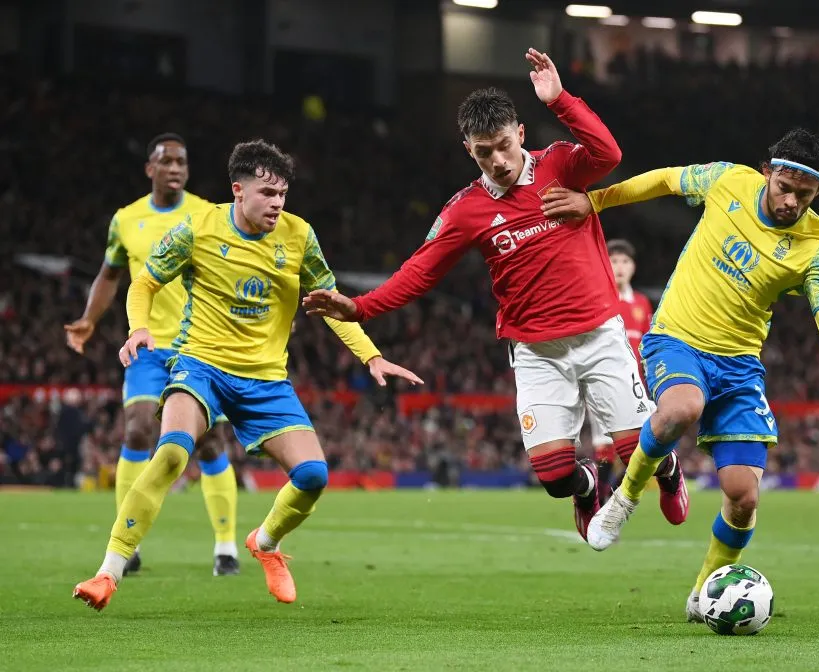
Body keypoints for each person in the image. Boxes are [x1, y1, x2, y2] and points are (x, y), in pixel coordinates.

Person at [303, 49, 688, 541]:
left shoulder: (560, 167)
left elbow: (609, 156)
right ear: (470, 150)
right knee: (553, 477)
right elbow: (418, 273)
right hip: (535, 352)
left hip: (599, 336)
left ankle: (669, 470)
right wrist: (358, 307)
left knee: (640, 453)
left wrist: (560, 100)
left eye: (505, 145)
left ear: (521, 134)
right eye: (485, 152)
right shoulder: (466, 210)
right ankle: (586, 484)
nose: (499, 160)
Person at [539, 128, 819, 619]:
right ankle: (624, 498)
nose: (790, 202)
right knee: (683, 406)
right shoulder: (727, 181)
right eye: (784, 188)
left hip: (740, 366)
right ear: (767, 172)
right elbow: (662, 181)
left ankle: (704, 594)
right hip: (677, 339)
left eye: (804, 196)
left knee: (743, 497)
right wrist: (595, 201)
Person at [72, 139, 422, 611]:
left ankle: (266, 542)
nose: (277, 203)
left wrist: (371, 357)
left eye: (283, 194)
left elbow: (330, 303)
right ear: (238, 190)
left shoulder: (299, 236)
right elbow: (145, 281)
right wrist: (138, 327)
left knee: (314, 475)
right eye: (267, 193)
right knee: (172, 453)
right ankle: (108, 574)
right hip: (201, 366)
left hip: (265, 380)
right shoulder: (196, 228)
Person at [64, 133, 241, 576]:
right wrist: (89, 318)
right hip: (146, 346)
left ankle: (226, 548)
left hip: (198, 345)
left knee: (210, 440)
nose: (177, 168)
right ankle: (127, 543)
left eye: (183, 161)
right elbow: (109, 275)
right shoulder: (126, 220)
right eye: (168, 162)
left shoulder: (205, 213)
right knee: (139, 430)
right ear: (150, 169)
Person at [588, 239, 665, 506]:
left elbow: (651, 347)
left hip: (638, 390)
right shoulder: (596, 299)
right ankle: (598, 508)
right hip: (602, 386)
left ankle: (609, 498)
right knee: (606, 450)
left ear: (633, 267)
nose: (619, 267)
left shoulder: (642, 304)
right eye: (614, 261)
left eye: (625, 261)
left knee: (643, 450)